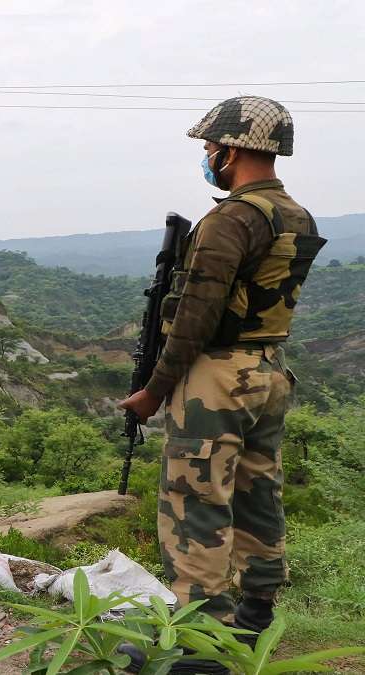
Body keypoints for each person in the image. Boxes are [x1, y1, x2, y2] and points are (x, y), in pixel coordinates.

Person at [119, 97, 325, 673]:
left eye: (211, 149)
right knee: (259, 492)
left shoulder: (230, 218)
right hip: (267, 370)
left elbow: (196, 315)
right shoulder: (296, 215)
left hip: (216, 377)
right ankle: (256, 615)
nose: (208, 158)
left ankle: (200, 641)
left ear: (230, 150)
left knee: (195, 500)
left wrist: (156, 389)